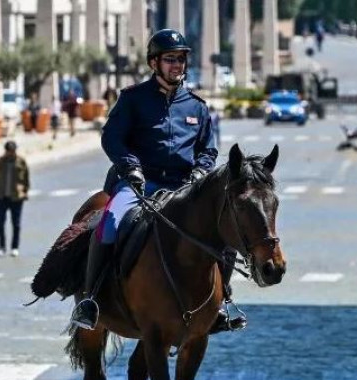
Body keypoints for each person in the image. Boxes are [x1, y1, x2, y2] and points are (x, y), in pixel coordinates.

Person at [69, 28, 241, 335]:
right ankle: (91, 299)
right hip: (139, 183)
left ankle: (221, 302)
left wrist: (201, 171)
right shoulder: (133, 99)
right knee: (109, 222)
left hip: (184, 187)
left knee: (223, 235)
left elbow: (208, 148)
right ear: (154, 63)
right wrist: (130, 166)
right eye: (170, 59)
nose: (177, 65)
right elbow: (112, 137)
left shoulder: (197, 107)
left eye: (182, 59)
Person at [0, 141, 29, 257]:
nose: (12, 153)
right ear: (6, 151)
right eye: (10, 151)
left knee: (16, 224)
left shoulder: (21, 161)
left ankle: (14, 247)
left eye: (13, 151)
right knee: (0, 223)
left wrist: (24, 192)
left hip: (16, 197)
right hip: (2, 197)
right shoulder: (0, 162)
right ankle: (2, 246)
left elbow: (26, 178)